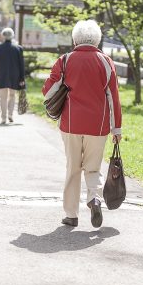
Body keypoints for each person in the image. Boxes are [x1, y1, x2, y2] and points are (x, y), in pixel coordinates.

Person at [42, 20, 122, 228]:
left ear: (75, 38)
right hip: (99, 124)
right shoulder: (106, 62)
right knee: (93, 168)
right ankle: (94, 199)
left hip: (71, 124)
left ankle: (71, 215)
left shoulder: (65, 60)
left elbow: (48, 91)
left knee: (73, 168)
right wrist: (117, 128)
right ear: (97, 39)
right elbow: (113, 97)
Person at [0, 28, 25, 124]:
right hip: (15, 76)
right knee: (12, 95)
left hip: (1, 76)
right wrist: (22, 78)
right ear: (12, 35)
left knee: (3, 97)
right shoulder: (18, 48)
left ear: (3, 36)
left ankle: (3, 118)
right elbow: (21, 65)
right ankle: (10, 114)